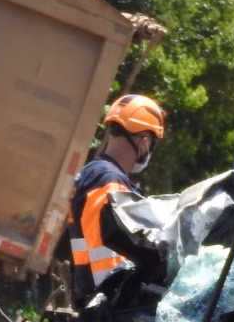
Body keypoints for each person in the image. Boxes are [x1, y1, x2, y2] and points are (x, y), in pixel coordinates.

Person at [67, 94, 165, 307]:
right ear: (143, 143)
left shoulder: (94, 173)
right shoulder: (110, 183)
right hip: (103, 304)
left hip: (90, 296)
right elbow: (108, 261)